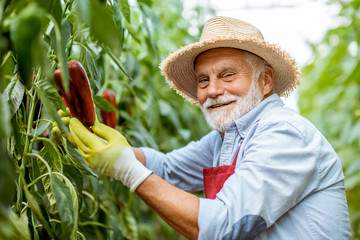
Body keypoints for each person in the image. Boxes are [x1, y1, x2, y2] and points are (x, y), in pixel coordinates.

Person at [66, 16, 351, 239]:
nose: (212, 90)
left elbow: (223, 227)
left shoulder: (284, 134)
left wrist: (126, 167)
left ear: (265, 81)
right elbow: (166, 169)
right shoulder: (227, 138)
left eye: (228, 75)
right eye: (203, 80)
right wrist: (109, 143)